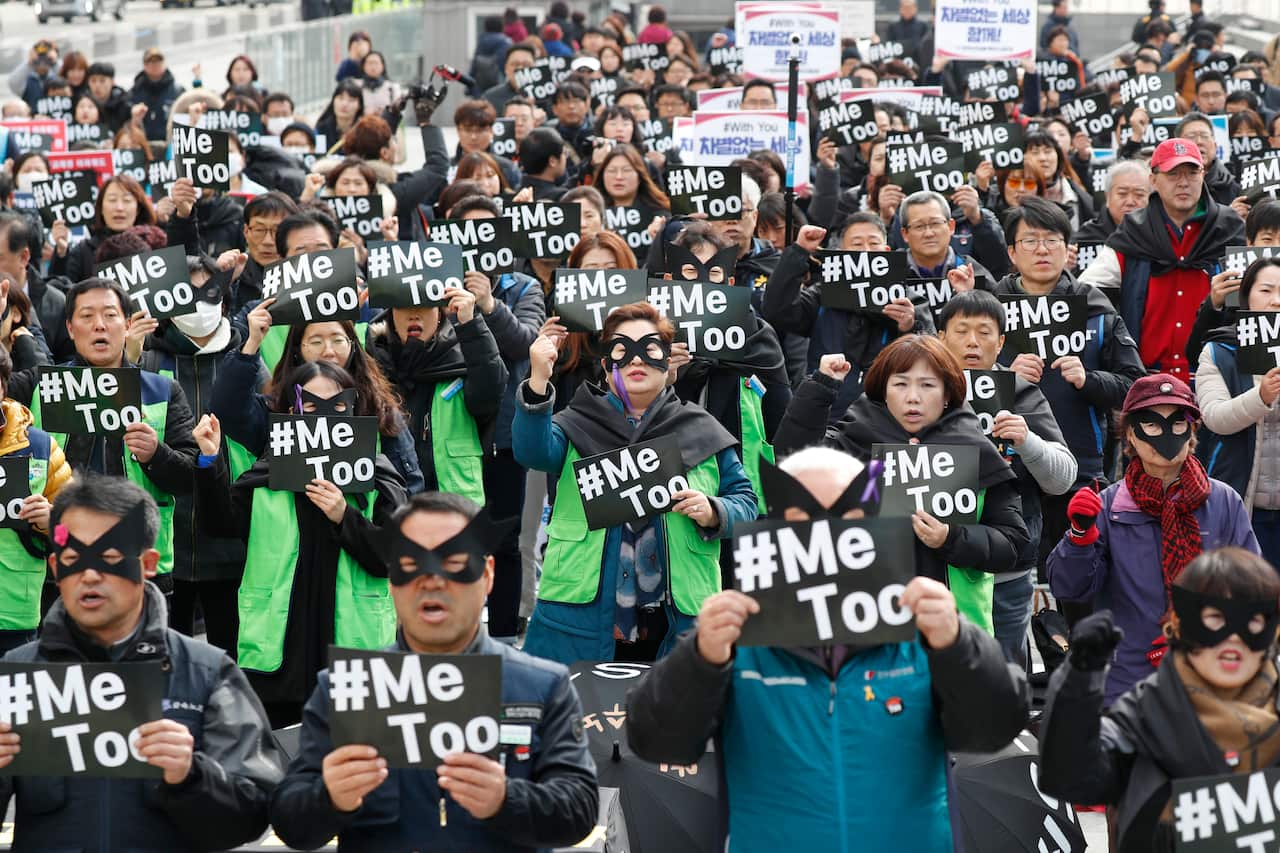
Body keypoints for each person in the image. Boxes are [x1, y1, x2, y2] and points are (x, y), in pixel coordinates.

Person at [625, 446, 1028, 852]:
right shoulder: (733, 642)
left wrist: (958, 644)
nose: (826, 535)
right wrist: (699, 659)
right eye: (803, 520)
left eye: (846, 519)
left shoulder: (924, 632)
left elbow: (995, 729)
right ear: (774, 531)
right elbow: (656, 742)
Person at [269, 491, 598, 850]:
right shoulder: (343, 689)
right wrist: (329, 798)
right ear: (393, 579)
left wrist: (506, 799)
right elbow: (289, 820)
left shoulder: (544, 686)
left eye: (455, 562)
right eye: (411, 564)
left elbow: (580, 808)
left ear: (487, 575)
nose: (432, 580)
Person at [0, 475, 284, 850]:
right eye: (73, 559)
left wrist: (191, 776)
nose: (89, 575)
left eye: (110, 558)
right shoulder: (17, 675)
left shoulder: (207, 673)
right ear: (55, 567)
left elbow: (255, 815)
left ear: (147, 563)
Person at [514, 302, 758, 663]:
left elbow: (747, 504)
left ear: (668, 361)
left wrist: (714, 511)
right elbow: (531, 451)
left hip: (677, 619)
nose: (636, 361)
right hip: (581, 615)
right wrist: (538, 380)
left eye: (650, 349)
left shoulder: (700, 428)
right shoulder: (575, 423)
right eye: (621, 350)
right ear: (606, 366)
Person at [194, 361, 407, 727]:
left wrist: (345, 516)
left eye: (337, 406)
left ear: (353, 409)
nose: (324, 416)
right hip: (279, 650)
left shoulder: (377, 472)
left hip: (352, 648)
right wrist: (210, 460)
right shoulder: (268, 471)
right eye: (310, 406)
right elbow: (219, 525)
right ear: (292, 411)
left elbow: (393, 557)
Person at [773, 335, 1029, 632]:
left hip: (955, 631)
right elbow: (792, 462)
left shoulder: (975, 452)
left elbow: (1012, 543)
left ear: (948, 394)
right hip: (867, 628)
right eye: (901, 384)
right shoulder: (853, 444)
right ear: (883, 391)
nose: (913, 397)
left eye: (927, 385)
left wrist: (951, 537)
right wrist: (821, 387)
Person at [1040, 548, 1280, 852]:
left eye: (1252, 622)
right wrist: (1078, 682)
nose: (1233, 638)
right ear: (1181, 626)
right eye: (1216, 618)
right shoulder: (1141, 717)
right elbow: (1068, 775)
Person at [1047, 373, 1260, 705]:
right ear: (1131, 434)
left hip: (1212, 680)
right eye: (1152, 424)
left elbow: (1252, 592)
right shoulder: (1107, 507)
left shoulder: (1224, 502)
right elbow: (1070, 588)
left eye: (1178, 423)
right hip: (1127, 683)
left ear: (1192, 432)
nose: (1166, 436)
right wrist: (1078, 537)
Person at [7, 277, 199, 591]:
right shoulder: (37, 386)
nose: (99, 325)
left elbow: (191, 477)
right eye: (87, 316)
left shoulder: (163, 390)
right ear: (70, 329)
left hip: (139, 560)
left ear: (126, 325)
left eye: (110, 315)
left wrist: (156, 454)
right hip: (57, 556)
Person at [995, 198, 1145, 573]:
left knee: (1082, 577)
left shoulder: (1096, 309)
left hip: (1081, 469)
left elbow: (1135, 387)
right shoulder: (989, 312)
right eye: (1030, 241)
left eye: (1052, 240)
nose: (1042, 249)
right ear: (1012, 252)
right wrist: (1001, 375)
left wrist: (1088, 380)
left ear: (1068, 249)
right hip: (1003, 472)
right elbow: (954, 384)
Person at [936, 290, 1077, 667]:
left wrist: (1028, 440)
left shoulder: (1020, 392)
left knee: (1005, 679)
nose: (971, 342)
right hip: (933, 569)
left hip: (1006, 572)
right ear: (940, 337)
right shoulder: (915, 392)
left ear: (1000, 343)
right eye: (961, 330)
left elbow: (1063, 479)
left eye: (984, 332)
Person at [138, 255, 258, 653]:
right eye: (186, 295)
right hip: (169, 541)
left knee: (229, 653)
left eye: (209, 293)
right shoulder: (150, 362)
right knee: (167, 654)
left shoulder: (246, 361)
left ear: (224, 300)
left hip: (231, 535)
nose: (199, 305)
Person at [1080, 138, 1246, 381]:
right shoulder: (1133, 231)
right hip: (1147, 380)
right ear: (1153, 180)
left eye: (1192, 173)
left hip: (1216, 377)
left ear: (1204, 175)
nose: (1183, 182)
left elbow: (1252, 303)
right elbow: (1085, 293)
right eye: (1173, 174)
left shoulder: (1230, 228)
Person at [762, 216, 932, 417]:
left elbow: (931, 359)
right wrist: (799, 251)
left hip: (888, 420)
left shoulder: (909, 303)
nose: (866, 251)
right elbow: (778, 310)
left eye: (874, 243)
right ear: (842, 253)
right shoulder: (824, 295)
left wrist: (908, 328)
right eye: (857, 244)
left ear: (886, 252)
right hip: (825, 418)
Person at [1195, 257, 1280, 566]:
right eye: (1266, 290)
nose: (1276, 300)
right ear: (1246, 297)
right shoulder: (1219, 351)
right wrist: (1261, 395)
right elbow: (1215, 417)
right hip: (1241, 504)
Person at [0, 344, 71, 654]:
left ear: (3, 386)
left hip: (16, 618)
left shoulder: (42, 448)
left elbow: (75, 534)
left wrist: (52, 521)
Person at [891, 190, 1003, 290]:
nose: (929, 233)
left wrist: (969, 299)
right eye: (919, 226)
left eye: (935, 223)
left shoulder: (973, 272)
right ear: (904, 234)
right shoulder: (890, 275)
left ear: (951, 226)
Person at [1075, 160, 1151, 244]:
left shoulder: (1160, 233)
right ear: (1108, 197)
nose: (1130, 202)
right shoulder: (1087, 239)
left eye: (1139, 194)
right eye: (1122, 194)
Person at [1177, 110, 1241, 206]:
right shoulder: (1169, 184)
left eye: (1204, 136)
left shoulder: (1233, 187)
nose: (1199, 142)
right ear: (1178, 146)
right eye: (1191, 136)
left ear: (1215, 146)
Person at [129, 48, 184, 143]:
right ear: (145, 65)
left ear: (164, 63)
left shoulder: (177, 91)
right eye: (151, 61)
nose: (155, 64)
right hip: (143, 146)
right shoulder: (134, 92)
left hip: (170, 144)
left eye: (158, 61)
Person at [482, 44, 537, 114]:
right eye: (515, 64)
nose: (520, 68)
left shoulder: (548, 96)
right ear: (506, 68)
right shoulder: (490, 98)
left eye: (526, 64)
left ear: (536, 68)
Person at [519, 127, 568, 201]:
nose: (566, 158)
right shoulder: (561, 198)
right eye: (564, 153)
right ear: (552, 161)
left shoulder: (514, 194)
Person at [888, 0, 931, 67]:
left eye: (910, 8)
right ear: (900, 9)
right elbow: (889, 46)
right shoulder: (893, 26)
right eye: (905, 8)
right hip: (898, 64)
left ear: (915, 9)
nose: (907, 10)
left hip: (918, 63)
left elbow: (926, 47)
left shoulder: (923, 26)